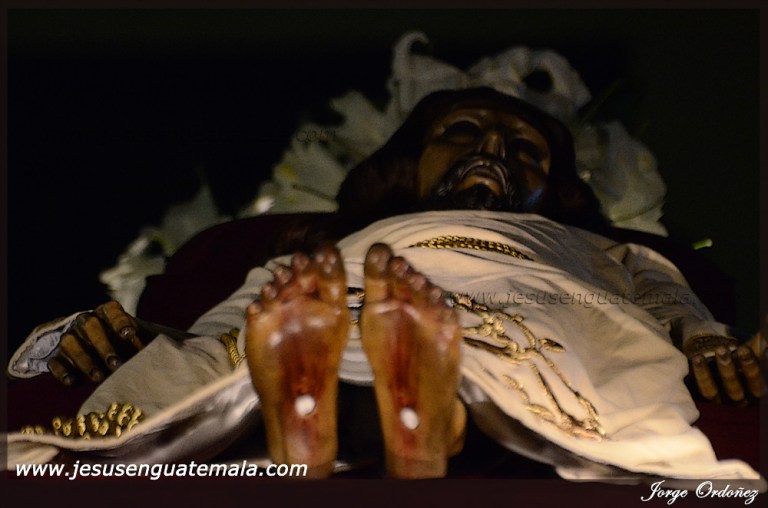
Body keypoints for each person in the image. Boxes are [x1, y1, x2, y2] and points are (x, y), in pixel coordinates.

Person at [13, 87, 764, 481]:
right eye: (462, 132)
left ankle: (348, 419)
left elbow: (667, 297)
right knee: (254, 342)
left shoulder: (595, 246)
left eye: (525, 149)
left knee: (538, 355)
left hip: (538, 299)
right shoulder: (322, 249)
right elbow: (221, 328)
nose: (493, 148)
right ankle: (411, 419)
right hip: (347, 297)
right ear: (409, 163)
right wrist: (144, 341)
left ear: (559, 189)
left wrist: (708, 343)